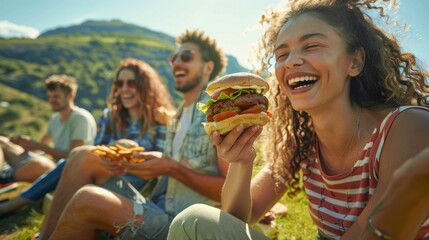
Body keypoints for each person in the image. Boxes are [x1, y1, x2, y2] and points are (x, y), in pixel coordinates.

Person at [168, 0, 429, 239]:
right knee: (195, 222)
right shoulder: (301, 140)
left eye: (312, 46)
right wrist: (241, 160)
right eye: (282, 55)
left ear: (355, 61)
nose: (291, 62)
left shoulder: (408, 126)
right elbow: (237, 220)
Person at [37, 31, 228, 240]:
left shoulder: (218, 113)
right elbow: (167, 178)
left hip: (181, 226)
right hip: (158, 208)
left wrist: (172, 168)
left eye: (187, 56)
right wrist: (132, 166)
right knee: (82, 156)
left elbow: (230, 190)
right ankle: (43, 236)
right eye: (174, 58)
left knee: (87, 198)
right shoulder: (178, 117)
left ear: (208, 67)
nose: (177, 63)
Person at [0, 58, 175, 218]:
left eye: (132, 83)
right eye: (119, 83)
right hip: (99, 171)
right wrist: (114, 147)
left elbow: (158, 166)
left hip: (131, 179)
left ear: (145, 86)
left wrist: (131, 158)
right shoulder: (110, 116)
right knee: (74, 161)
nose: (124, 88)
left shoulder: (159, 120)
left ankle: (14, 205)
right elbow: (95, 150)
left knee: (72, 164)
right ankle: (28, 213)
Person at [0, 74, 96, 185]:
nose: (51, 100)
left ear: (70, 96)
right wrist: (25, 144)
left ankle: (6, 176)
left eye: (56, 96)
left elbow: (74, 158)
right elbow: (41, 146)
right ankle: (4, 174)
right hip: (50, 163)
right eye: (49, 96)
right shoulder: (55, 118)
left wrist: (37, 146)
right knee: (2, 141)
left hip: (65, 170)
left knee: (38, 164)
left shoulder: (81, 118)